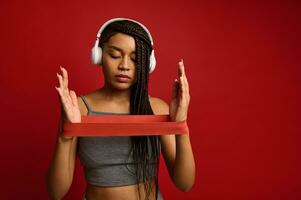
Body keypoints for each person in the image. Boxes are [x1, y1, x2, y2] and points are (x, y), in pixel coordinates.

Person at [46, 18, 195, 200]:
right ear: (98, 56)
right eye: (115, 55)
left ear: (147, 64)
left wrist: (181, 125)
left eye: (134, 59)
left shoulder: (156, 108)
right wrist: (65, 134)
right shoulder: (79, 109)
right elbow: (56, 192)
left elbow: (185, 183)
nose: (124, 66)